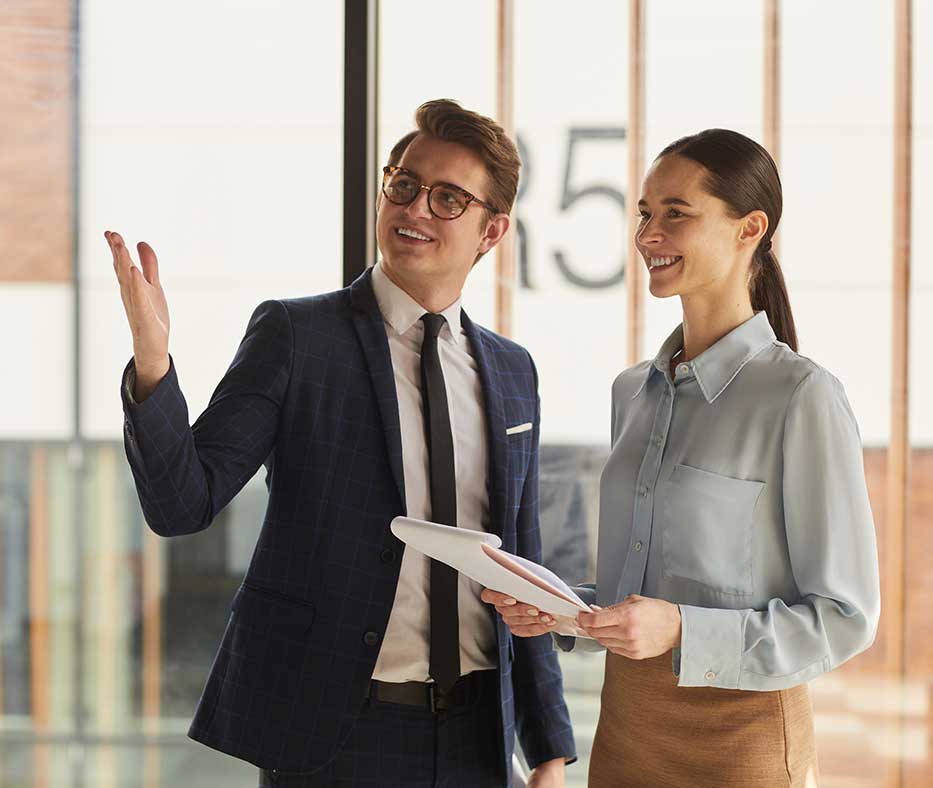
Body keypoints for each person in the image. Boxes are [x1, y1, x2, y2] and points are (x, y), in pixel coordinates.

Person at [107, 98, 575, 788]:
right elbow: (183, 504)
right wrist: (152, 364)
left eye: (448, 199)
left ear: (491, 231)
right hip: (338, 738)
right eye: (404, 184)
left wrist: (549, 750)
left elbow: (521, 564)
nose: (415, 209)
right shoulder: (297, 337)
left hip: (480, 741)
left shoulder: (512, 371)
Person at [484, 128, 880, 788]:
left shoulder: (802, 398)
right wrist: (563, 612)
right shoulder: (631, 393)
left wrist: (680, 632)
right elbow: (641, 595)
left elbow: (844, 619)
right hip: (624, 736)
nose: (648, 235)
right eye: (644, 212)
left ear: (749, 228)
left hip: (741, 745)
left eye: (676, 213)